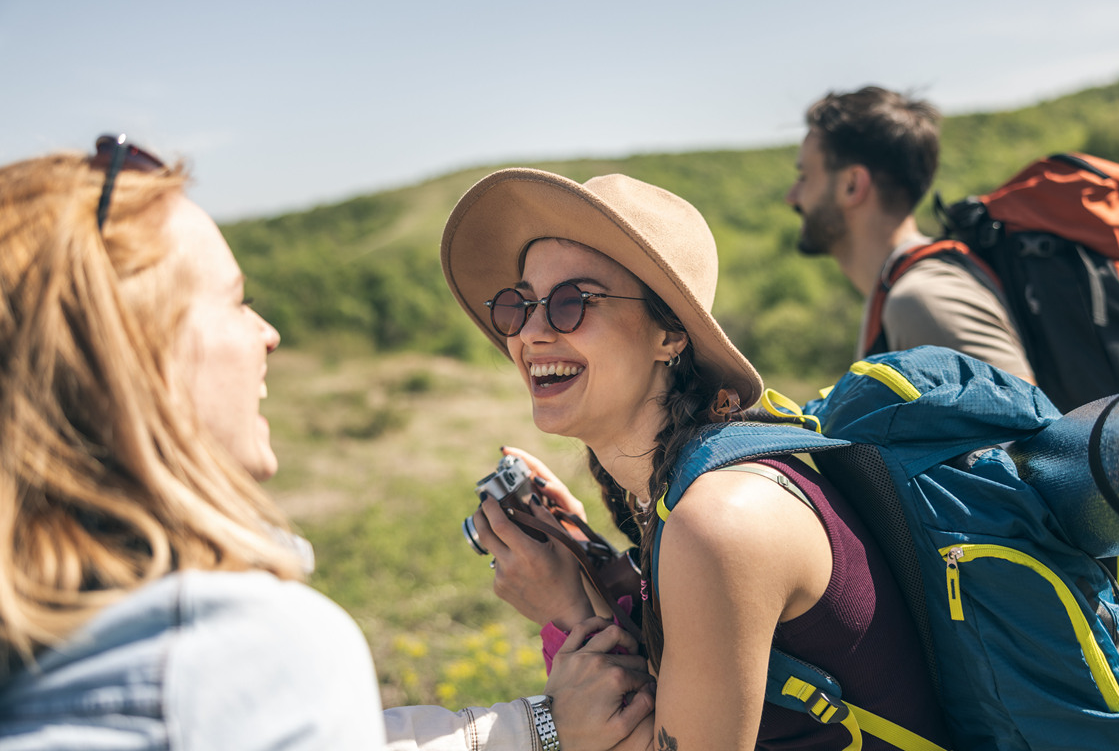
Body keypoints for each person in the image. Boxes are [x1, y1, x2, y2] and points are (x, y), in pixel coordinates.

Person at [0, 137, 653, 750]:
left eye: (573, 302)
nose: (268, 333)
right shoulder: (239, 655)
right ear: (132, 355)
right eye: (233, 301)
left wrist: (586, 595)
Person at [441, 168, 951, 750]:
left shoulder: (719, 519)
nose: (530, 333)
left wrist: (568, 612)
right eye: (520, 304)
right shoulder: (684, 488)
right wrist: (596, 566)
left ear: (669, 334)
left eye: (570, 302)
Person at [785, 85, 1035, 381]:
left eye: (804, 176)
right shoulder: (900, 291)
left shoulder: (922, 300)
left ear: (852, 185)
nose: (792, 196)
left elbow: (1027, 422)